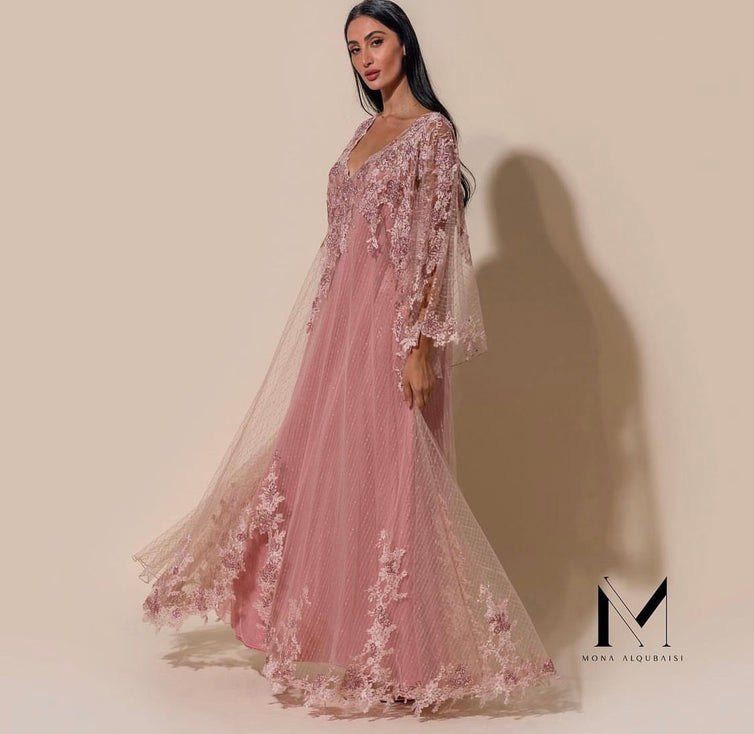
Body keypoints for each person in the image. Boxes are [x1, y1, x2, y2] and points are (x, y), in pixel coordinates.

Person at [132, 0, 559, 717]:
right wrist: (330, 325)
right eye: (354, 47)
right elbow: (343, 237)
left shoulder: (432, 133)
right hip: (342, 324)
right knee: (331, 466)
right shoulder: (363, 132)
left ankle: (410, 660)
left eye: (376, 41)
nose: (365, 58)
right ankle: (344, 640)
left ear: (404, 44)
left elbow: (434, 243)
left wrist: (418, 345)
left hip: (394, 327)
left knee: (396, 476)